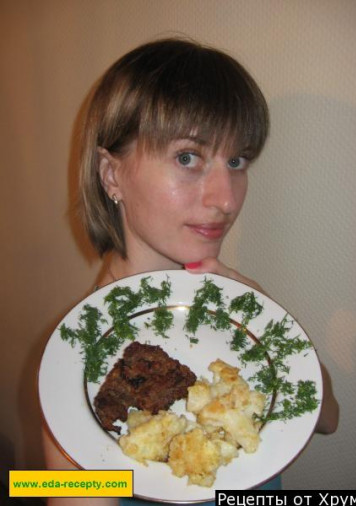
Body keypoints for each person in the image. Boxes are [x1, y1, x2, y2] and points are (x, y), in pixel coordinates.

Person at [43, 37, 339, 505]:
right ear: (111, 174)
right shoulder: (74, 368)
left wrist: (277, 327)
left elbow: (329, 419)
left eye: (236, 160)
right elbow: (54, 490)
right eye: (188, 157)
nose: (226, 199)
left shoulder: (232, 297)